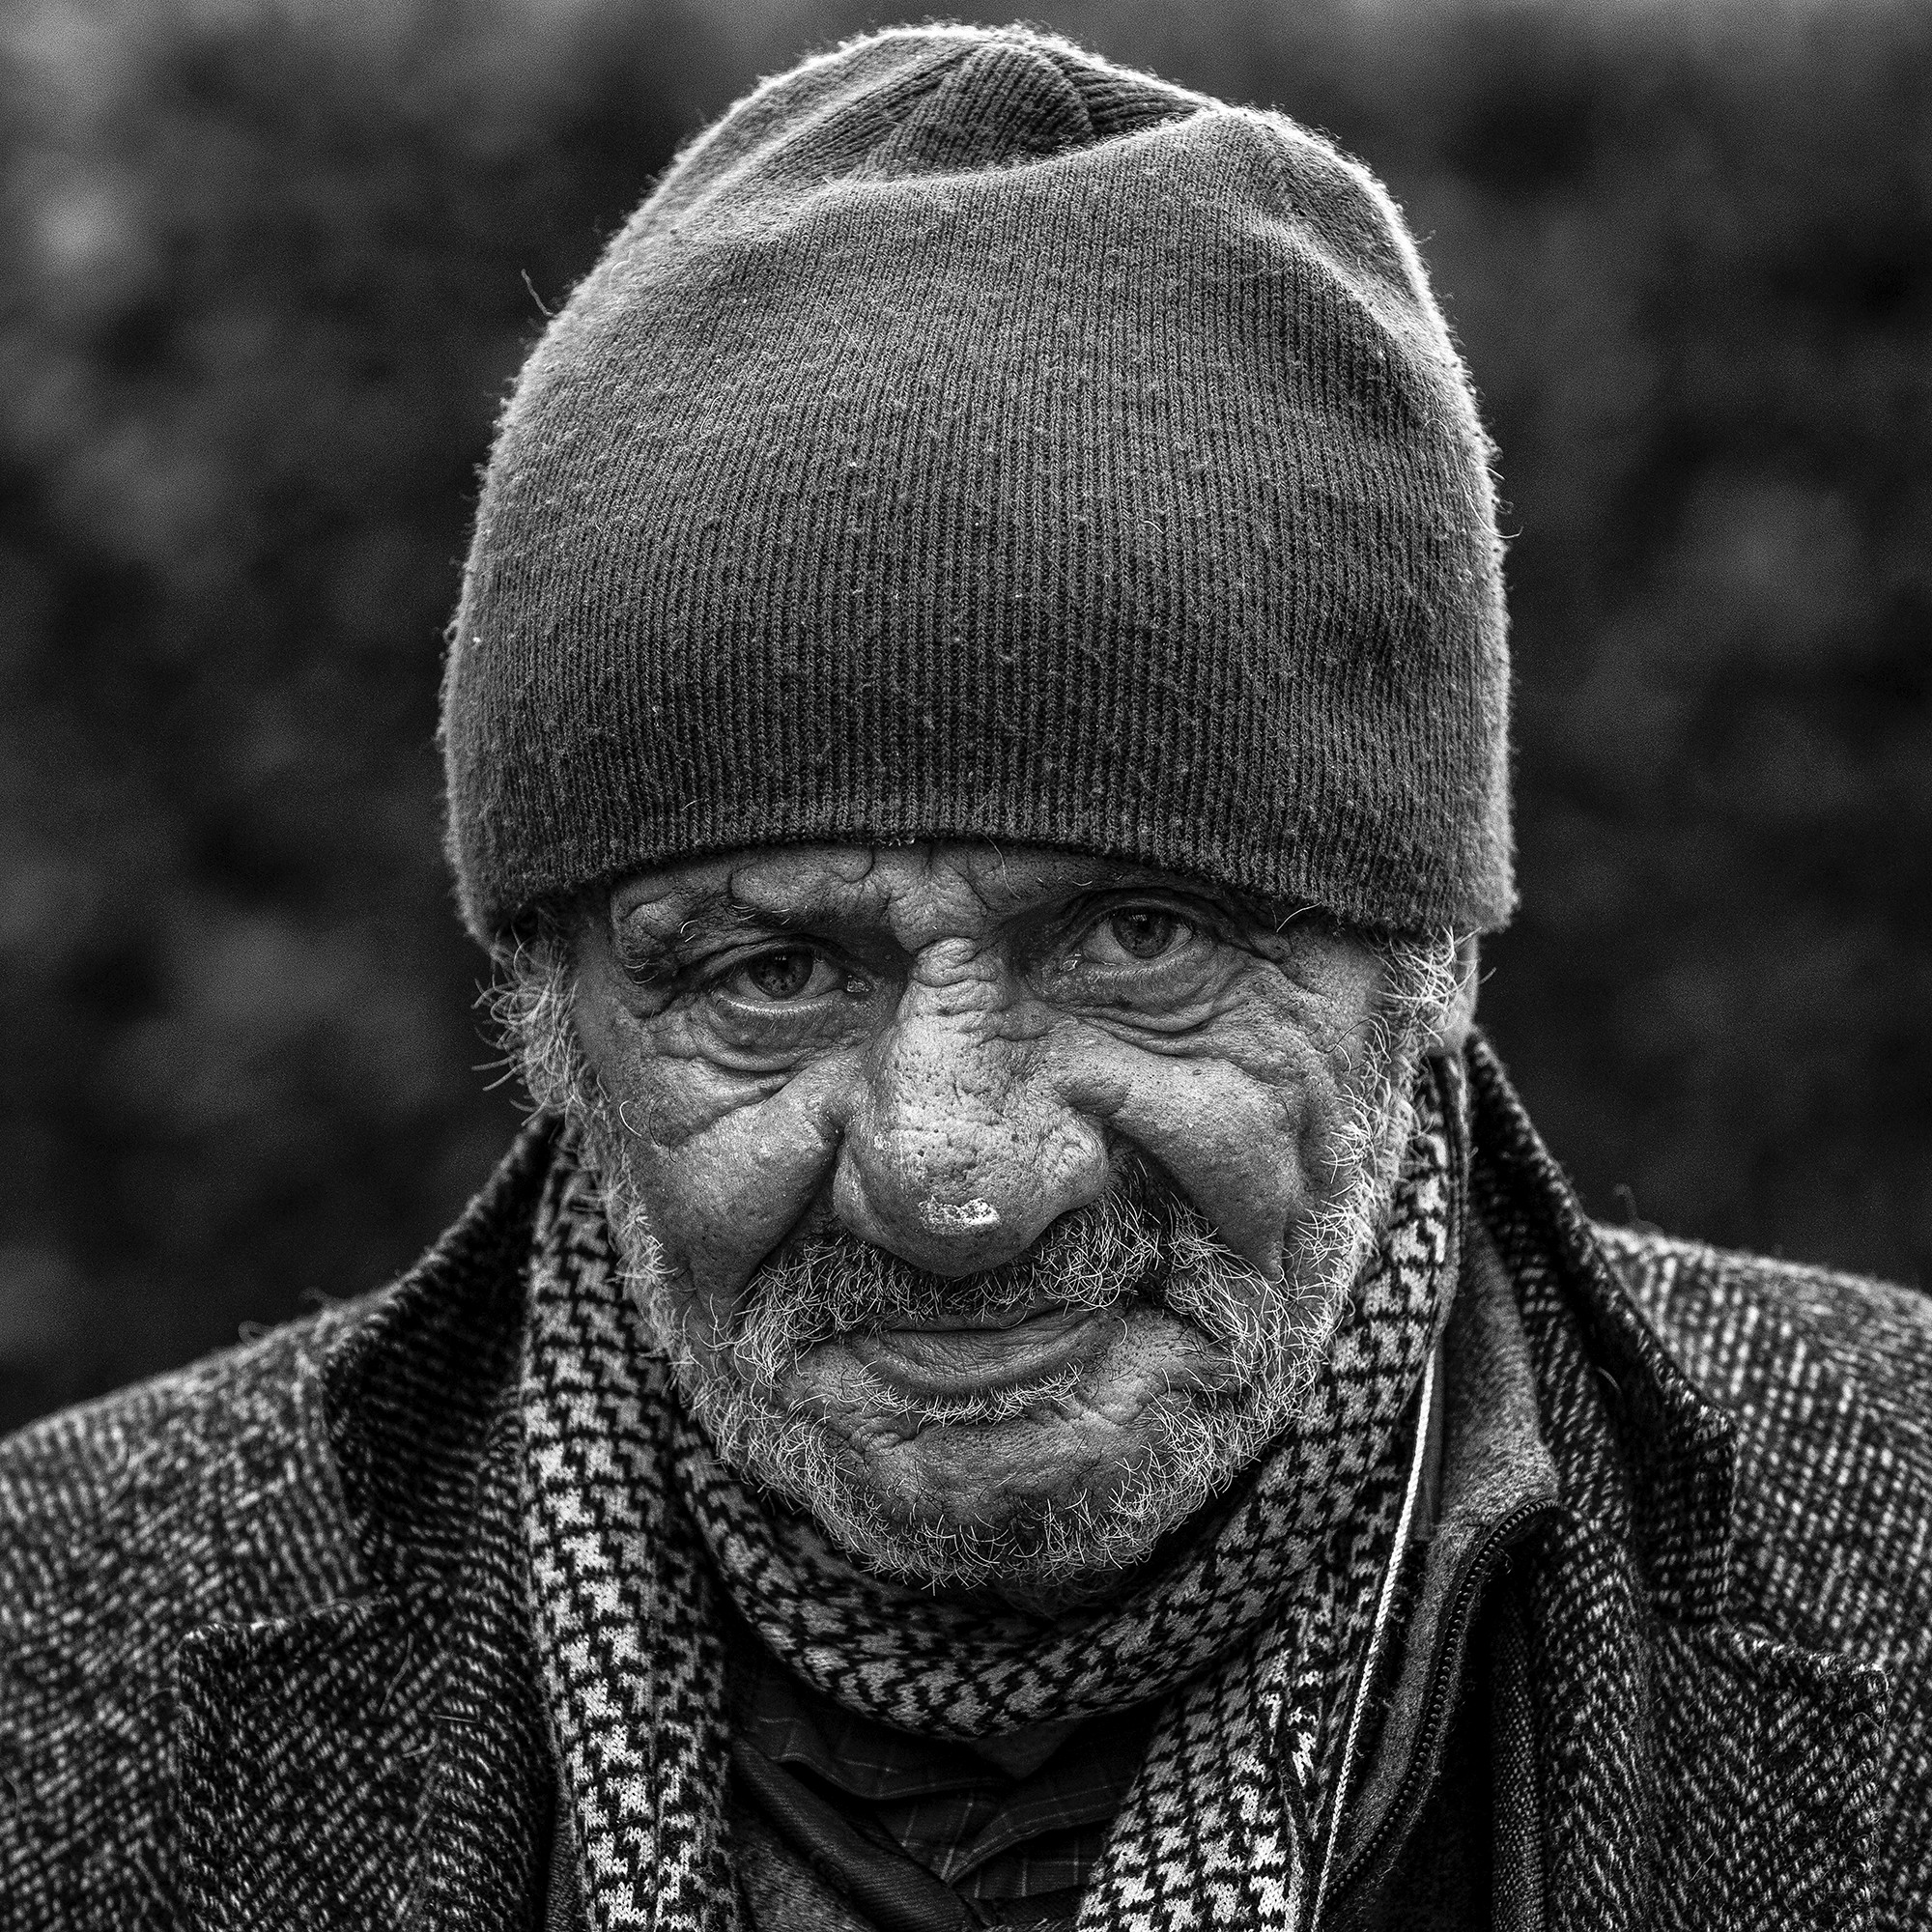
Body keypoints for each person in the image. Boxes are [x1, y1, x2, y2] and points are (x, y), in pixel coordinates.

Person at [3, 24, 1927, 1931]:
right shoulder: (61, 1660)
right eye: (770, 971)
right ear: (553, 1016)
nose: (952, 1178)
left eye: (1136, 941)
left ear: (1432, 962)